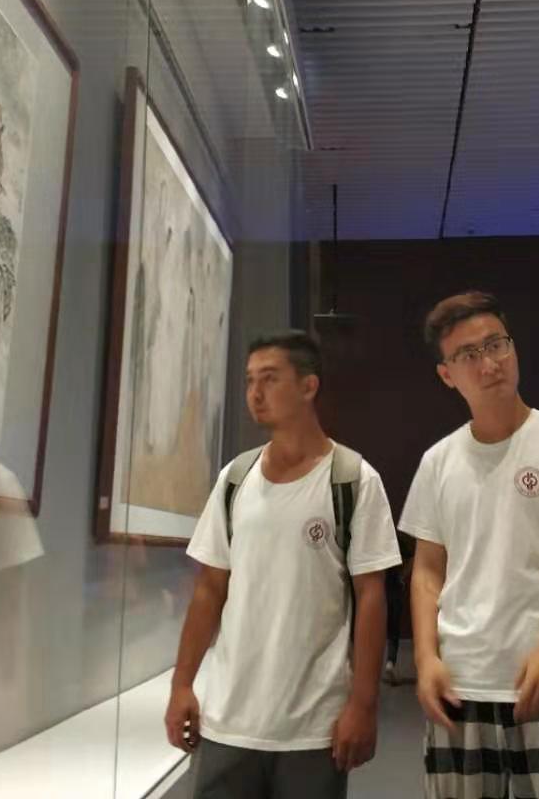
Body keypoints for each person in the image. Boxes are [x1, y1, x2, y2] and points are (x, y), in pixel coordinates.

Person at [400, 291, 539, 799]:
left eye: (496, 344)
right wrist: (426, 659)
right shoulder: (438, 462)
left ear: (514, 347)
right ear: (446, 374)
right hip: (461, 684)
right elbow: (427, 570)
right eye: (468, 354)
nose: (489, 364)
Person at [166, 331, 401, 799]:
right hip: (229, 719)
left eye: (270, 379)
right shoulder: (235, 479)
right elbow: (210, 588)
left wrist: (363, 704)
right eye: (250, 380)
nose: (255, 393)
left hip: (312, 726)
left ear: (308, 386)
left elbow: (371, 597)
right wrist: (182, 684)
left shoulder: (352, 479)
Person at [383, 533, 415, 686]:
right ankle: (390, 662)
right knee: (393, 631)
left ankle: (371, 667)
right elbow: (411, 558)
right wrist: (402, 575)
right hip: (395, 587)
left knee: (376, 630)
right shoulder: (398, 541)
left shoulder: (377, 541)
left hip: (379, 589)